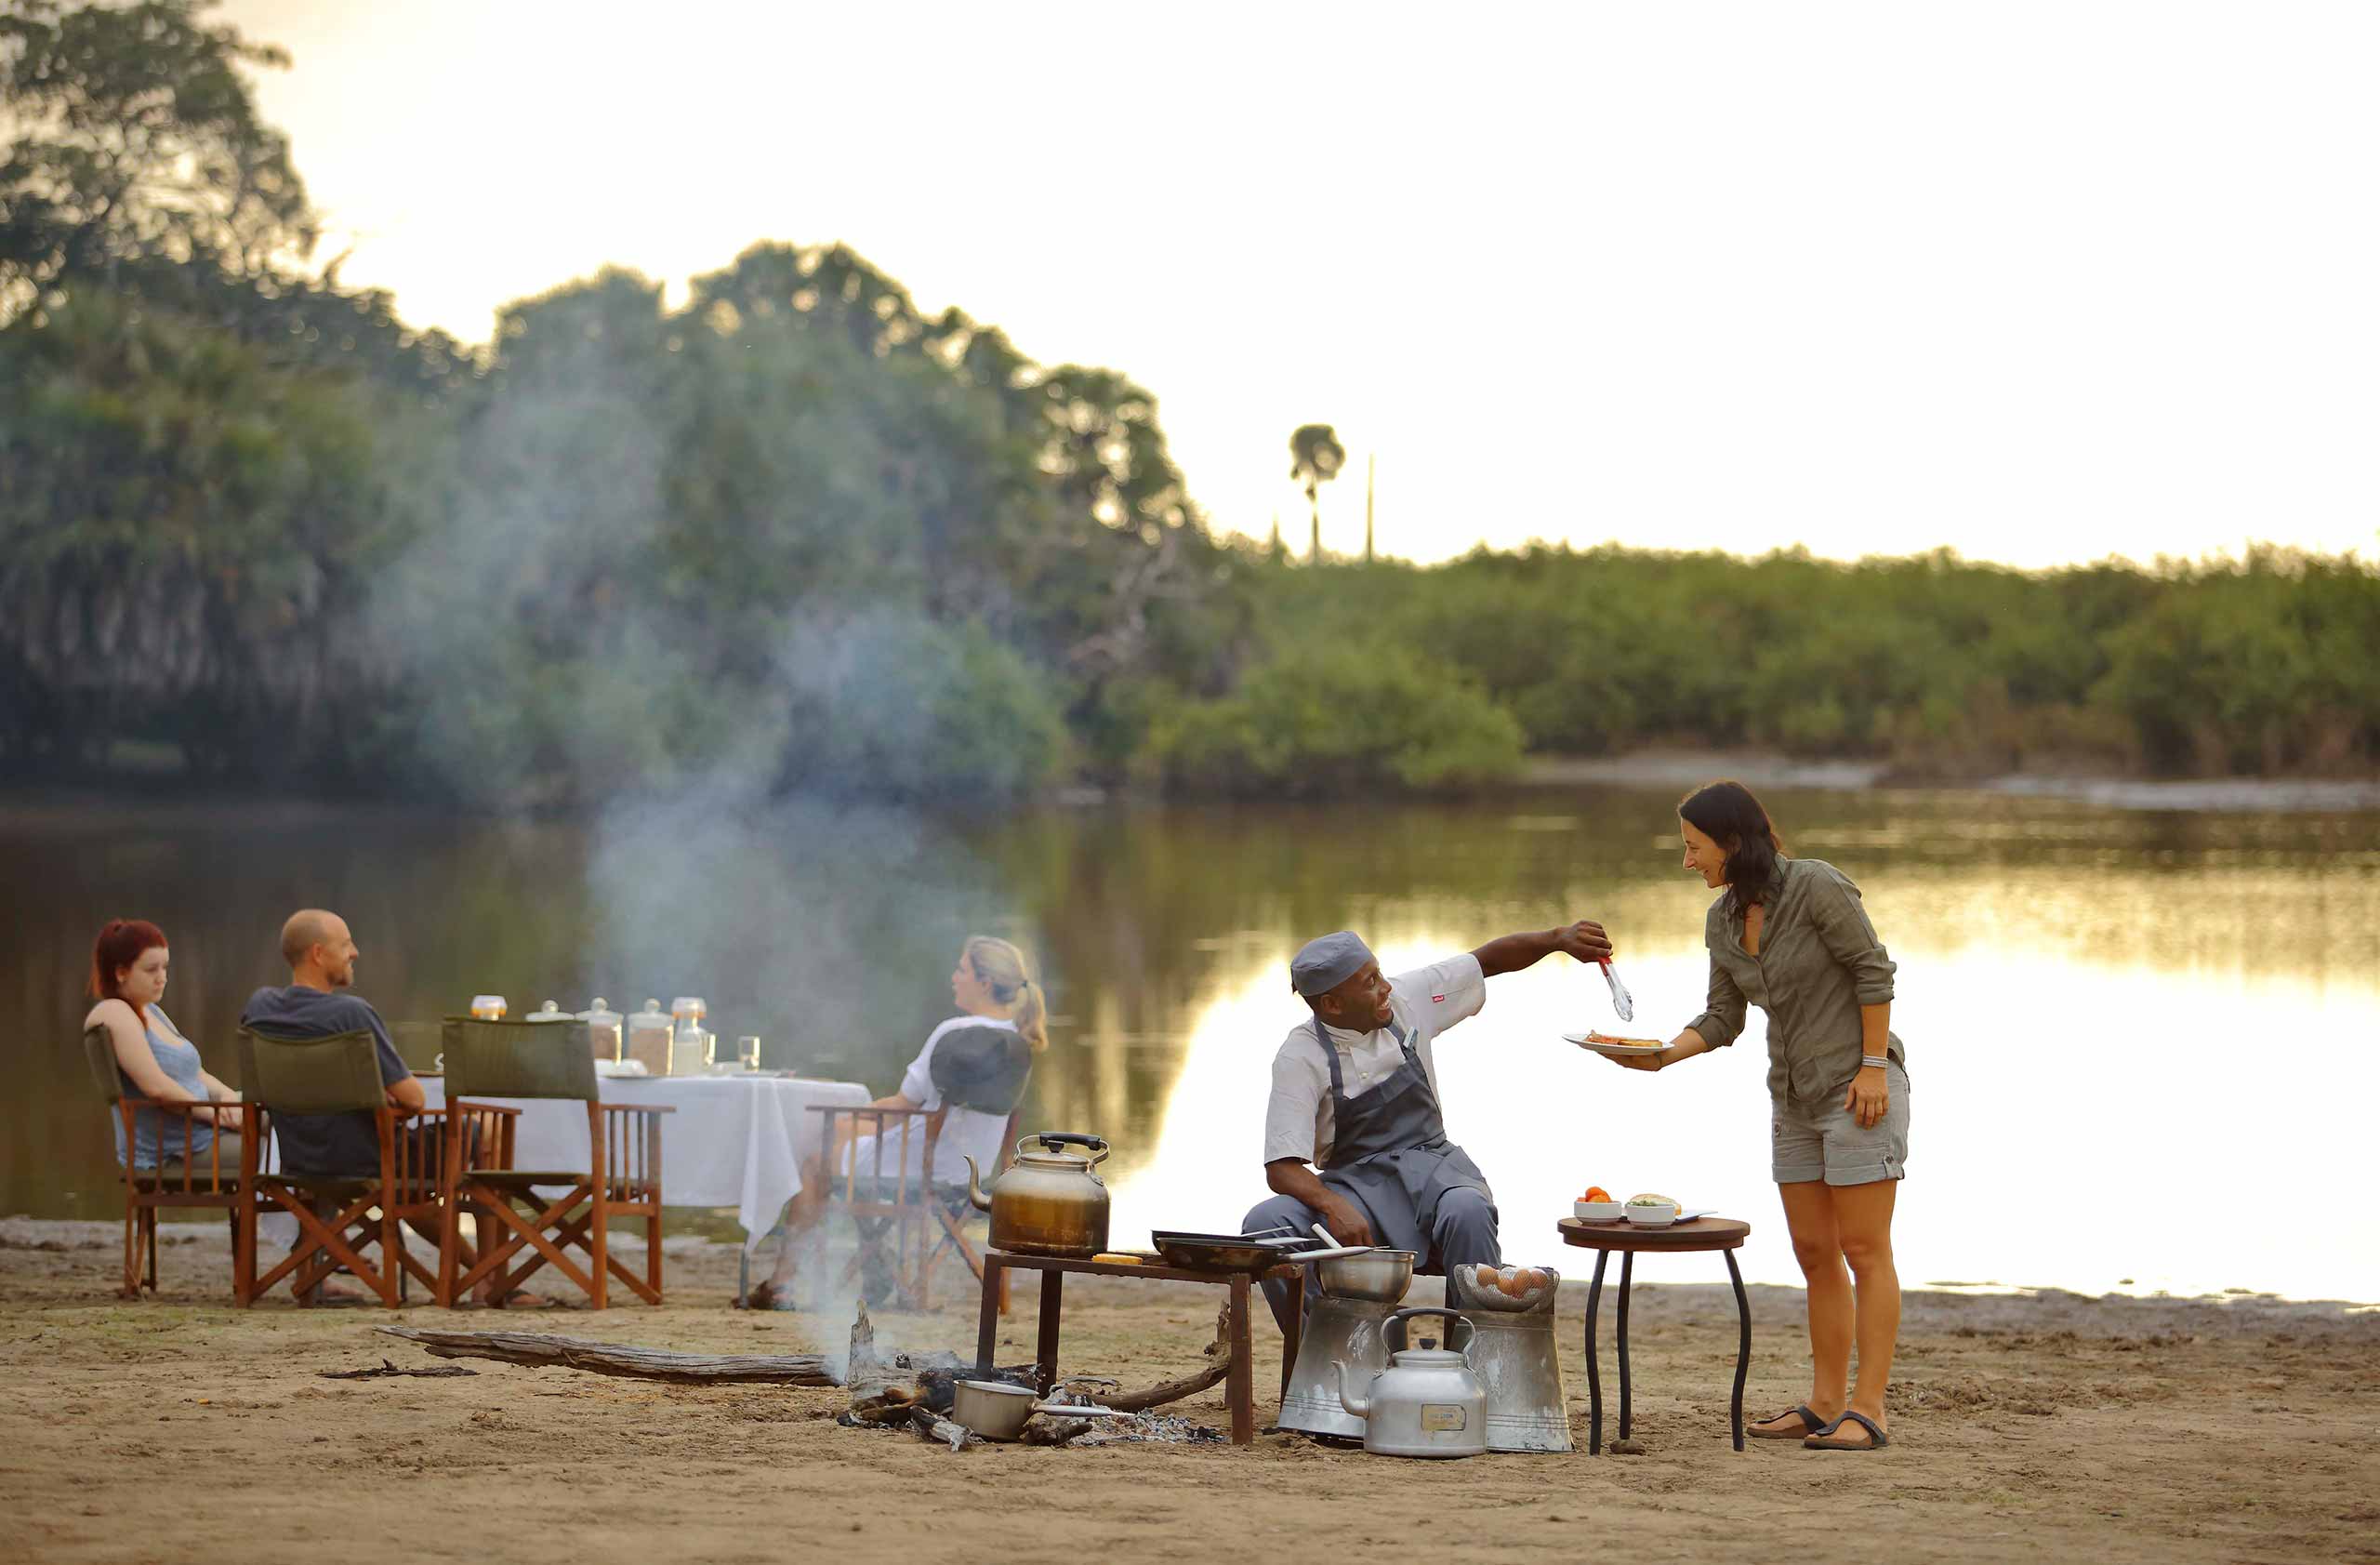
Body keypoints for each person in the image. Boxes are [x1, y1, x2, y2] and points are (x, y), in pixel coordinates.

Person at [1602, 780, 1911, 1452]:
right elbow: (1723, 1017)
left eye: (1694, 847)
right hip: (1792, 1099)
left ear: (1732, 842)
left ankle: (1871, 1407)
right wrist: (1660, 1055)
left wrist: (1873, 1067)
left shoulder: (1818, 887)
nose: (1687, 861)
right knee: (1814, 1252)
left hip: (1860, 1089)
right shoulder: (1721, 919)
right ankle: (1826, 1401)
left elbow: (1873, 973)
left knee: (1864, 1249)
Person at [1240, 918, 1615, 1333]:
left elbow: (1486, 961)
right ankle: (1333, 1350)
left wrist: (1556, 939)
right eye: (1369, 982)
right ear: (1332, 1004)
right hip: (1355, 1188)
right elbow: (1282, 1168)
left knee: (1468, 1210)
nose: (1385, 987)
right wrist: (1333, 1205)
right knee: (1266, 1226)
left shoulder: (1406, 1000)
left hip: (1436, 1172)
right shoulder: (1300, 1056)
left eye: (1378, 972)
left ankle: (1471, 1362)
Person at [748, 935, 1048, 1308]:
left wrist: (842, 1120)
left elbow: (902, 1106)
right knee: (841, 1144)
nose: (955, 978)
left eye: (962, 970)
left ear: (984, 983)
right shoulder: (1018, 1042)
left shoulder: (955, 1033)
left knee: (816, 1160)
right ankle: (878, 1265)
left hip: (920, 1166)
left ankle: (782, 1283)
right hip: (969, 1171)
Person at [84, 919, 246, 1176]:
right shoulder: (112, 1011)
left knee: (287, 1111)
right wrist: (216, 1115)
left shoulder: (153, 1012)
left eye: (165, 967)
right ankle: (305, 1214)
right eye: (151, 970)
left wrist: (227, 1098)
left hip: (204, 1125)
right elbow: (156, 1087)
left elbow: (198, 1074)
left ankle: (310, 1213)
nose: (162, 978)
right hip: (175, 1147)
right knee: (288, 1147)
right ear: (121, 972)